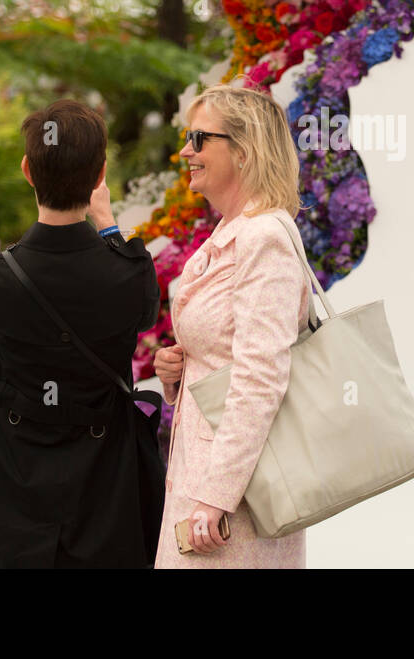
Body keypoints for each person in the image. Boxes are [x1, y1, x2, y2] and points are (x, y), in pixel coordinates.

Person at [0, 99, 164, 568]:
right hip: (105, 485)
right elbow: (143, 310)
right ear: (100, 174)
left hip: (15, 482)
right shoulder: (129, 274)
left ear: (27, 169)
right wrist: (108, 226)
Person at [152, 84, 311, 568]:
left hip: (231, 503)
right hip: (206, 486)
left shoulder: (263, 238)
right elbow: (228, 356)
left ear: (242, 151)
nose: (185, 152)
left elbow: (261, 376)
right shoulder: (231, 231)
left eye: (198, 139)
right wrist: (178, 374)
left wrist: (216, 497)